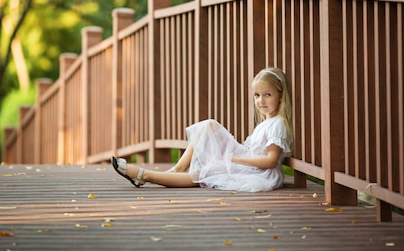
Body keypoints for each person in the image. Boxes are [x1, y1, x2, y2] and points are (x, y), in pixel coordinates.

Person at [111, 67, 293, 192]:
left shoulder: (277, 124)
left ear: (280, 96)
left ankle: (145, 175)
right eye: (257, 95)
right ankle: (177, 169)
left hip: (258, 172)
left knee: (206, 173)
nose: (261, 101)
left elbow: (270, 161)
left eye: (267, 95)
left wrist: (237, 159)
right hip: (248, 161)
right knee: (209, 125)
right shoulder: (267, 123)